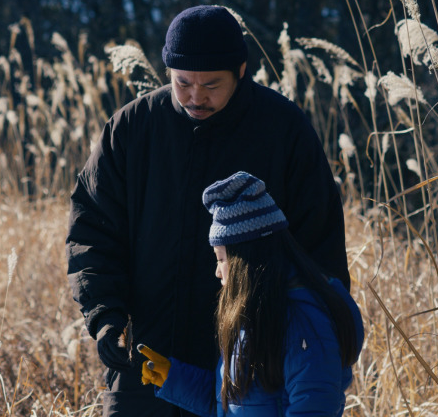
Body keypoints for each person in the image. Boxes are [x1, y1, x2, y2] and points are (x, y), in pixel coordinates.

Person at [66, 5, 349, 416]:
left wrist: (304, 341)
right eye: (182, 83)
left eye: (212, 85)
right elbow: (92, 231)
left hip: (250, 367)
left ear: (241, 69)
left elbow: (318, 251)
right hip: (147, 363)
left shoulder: (283, 130)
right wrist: (104, 315)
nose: (196, 96)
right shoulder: (132, 129)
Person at [137, 171, 364, 416]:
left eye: (221, 258)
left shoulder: (304, 322)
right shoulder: (257, 315)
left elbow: (315, 408)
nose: (217, 271)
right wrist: (175, 379)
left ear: (244, 261)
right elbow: (233, 405)